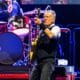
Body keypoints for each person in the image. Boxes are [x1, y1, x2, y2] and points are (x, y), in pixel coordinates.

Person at [30, 10, 61, 80]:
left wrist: (41, 25)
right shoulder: (42, 31)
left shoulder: (56, 28)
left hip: (48, 61)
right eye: (44, 17)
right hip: (38, 62)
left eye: (47, 17)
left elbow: (51, 35)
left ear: (53, 19)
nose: (45, 19)